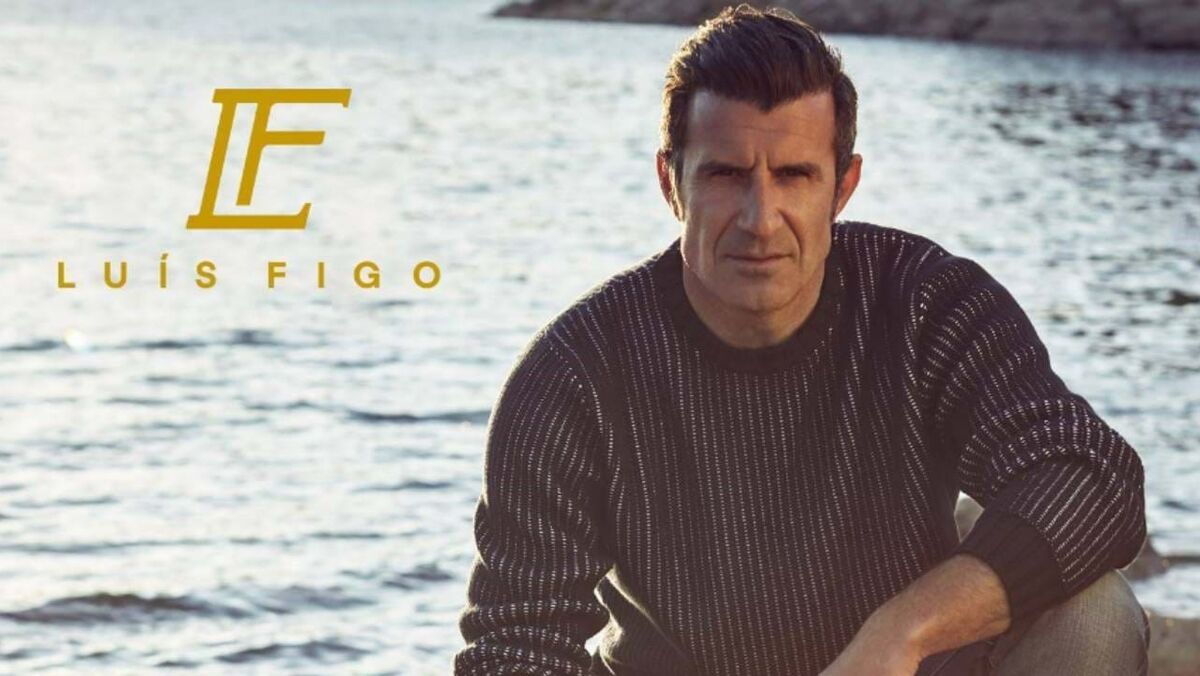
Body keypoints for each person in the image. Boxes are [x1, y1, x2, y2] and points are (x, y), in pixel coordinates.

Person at [455, 5, 1150, 675]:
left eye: (794, 175)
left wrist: (902, 633)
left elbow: (1093, 478)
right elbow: (511, 650)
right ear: (671, 183)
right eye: (726, 175)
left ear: (842, 187)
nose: (761, 218)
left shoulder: (922, 303)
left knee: (1095, 615)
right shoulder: (575, 373)